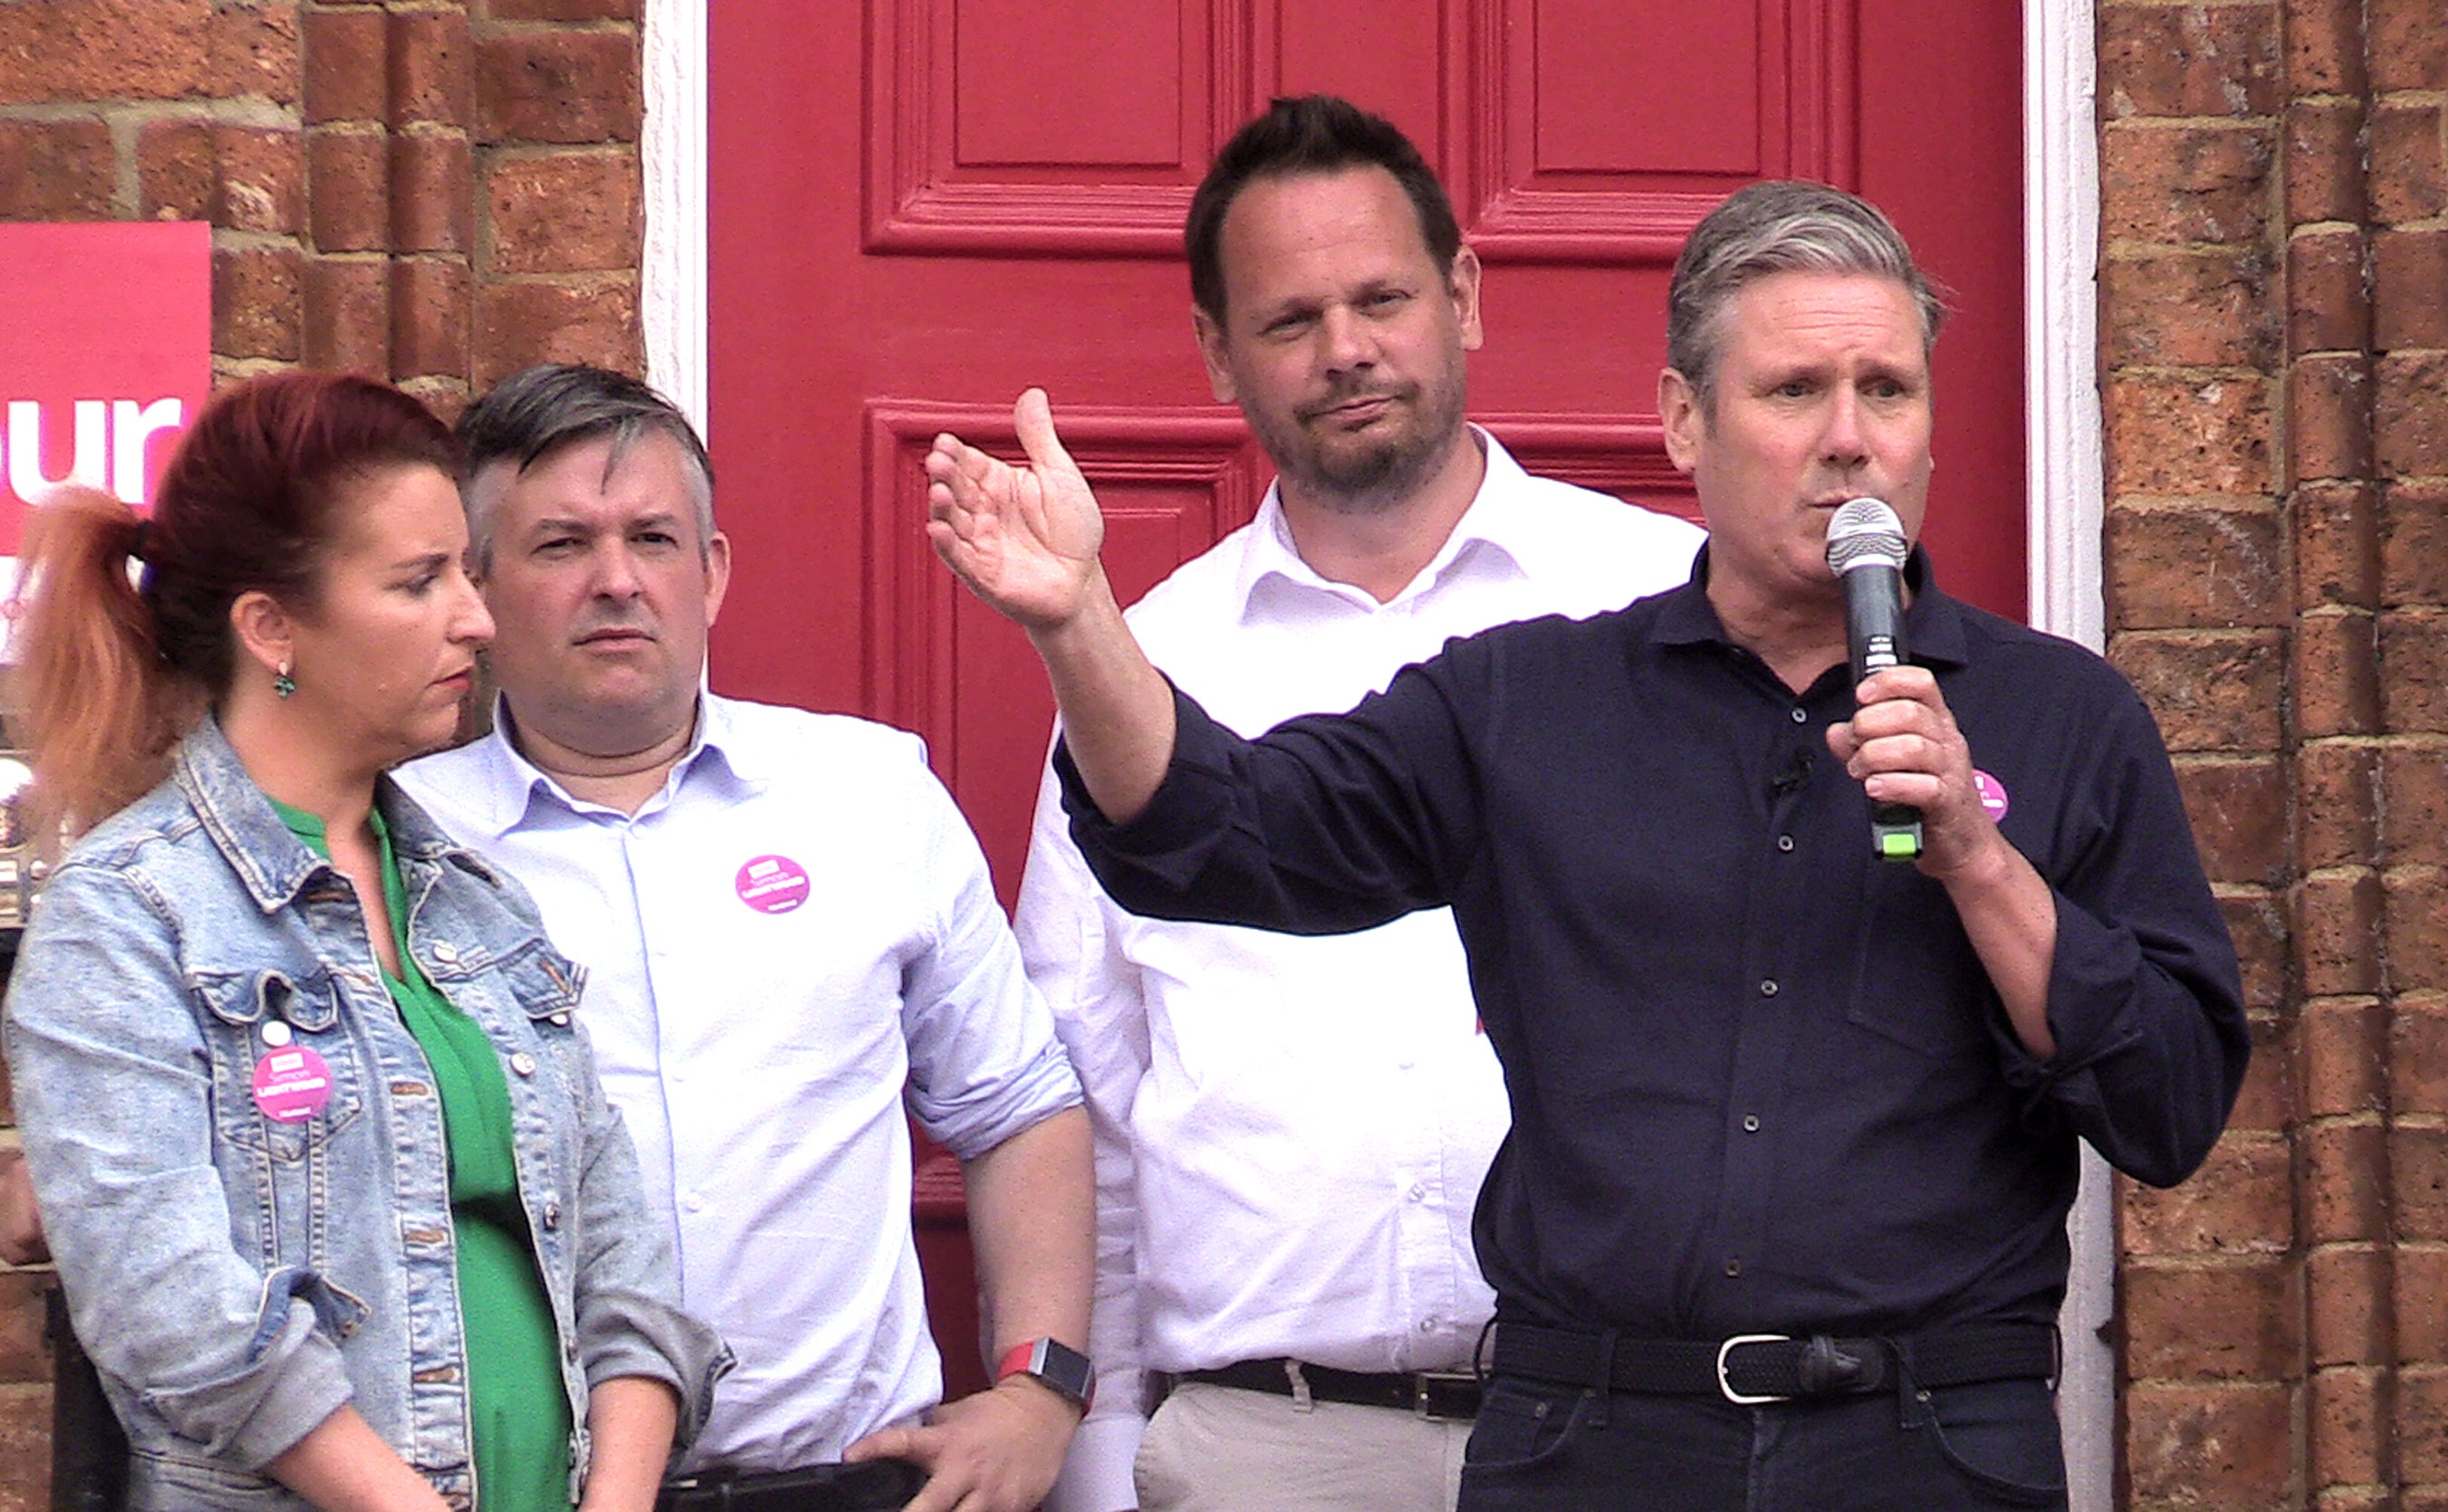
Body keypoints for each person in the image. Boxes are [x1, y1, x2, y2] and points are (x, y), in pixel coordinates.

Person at [923, 180, 2250, 1509]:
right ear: (1683, 418)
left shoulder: (2061, 715)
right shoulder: (1525, 703)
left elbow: (2168, 1105)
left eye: (1886, 392)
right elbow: (1220, 836)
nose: (1849, 442)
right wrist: (1077, 620)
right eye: (1793, 393)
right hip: (1597, 1441)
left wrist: (1976, 857)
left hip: (1923, 1440)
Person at [1012, 96, 1702, 1512]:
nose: (1344, 349)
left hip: (1634, 1428)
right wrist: (1096, 1452)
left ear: (1460, 296)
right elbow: (1084, 1091)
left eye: (1382, 297)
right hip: (1267, 1443)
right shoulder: (1144, 669)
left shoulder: (1662, 607)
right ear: (1215, 354)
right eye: (1287, 318)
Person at [1, 371, 727, 1512]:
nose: (476, 618)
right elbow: (174, 1310)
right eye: (419, 580)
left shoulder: (476, 898)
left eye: (466, 573)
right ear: (272, 626)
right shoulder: (129, 914)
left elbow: (624, 1262)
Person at [391, 364, 1093, 1512]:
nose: (617, 580)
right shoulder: (401, 844)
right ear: (476, 584)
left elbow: (1018, 1104)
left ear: (711, 572)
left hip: (853, 1482)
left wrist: (1039, 1389)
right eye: (562, 544)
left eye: (656, 538)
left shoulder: (868, 791)